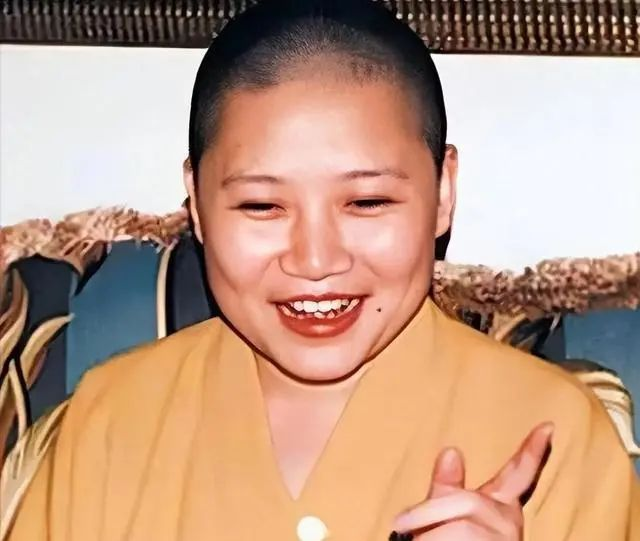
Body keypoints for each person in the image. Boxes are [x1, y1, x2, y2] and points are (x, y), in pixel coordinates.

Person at [6, 1, 639, 540]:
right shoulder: (110, 419)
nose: (315, 261)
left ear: (443, 192)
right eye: (262, 206)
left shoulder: (556, 435)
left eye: (367, 202)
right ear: (196, 203)